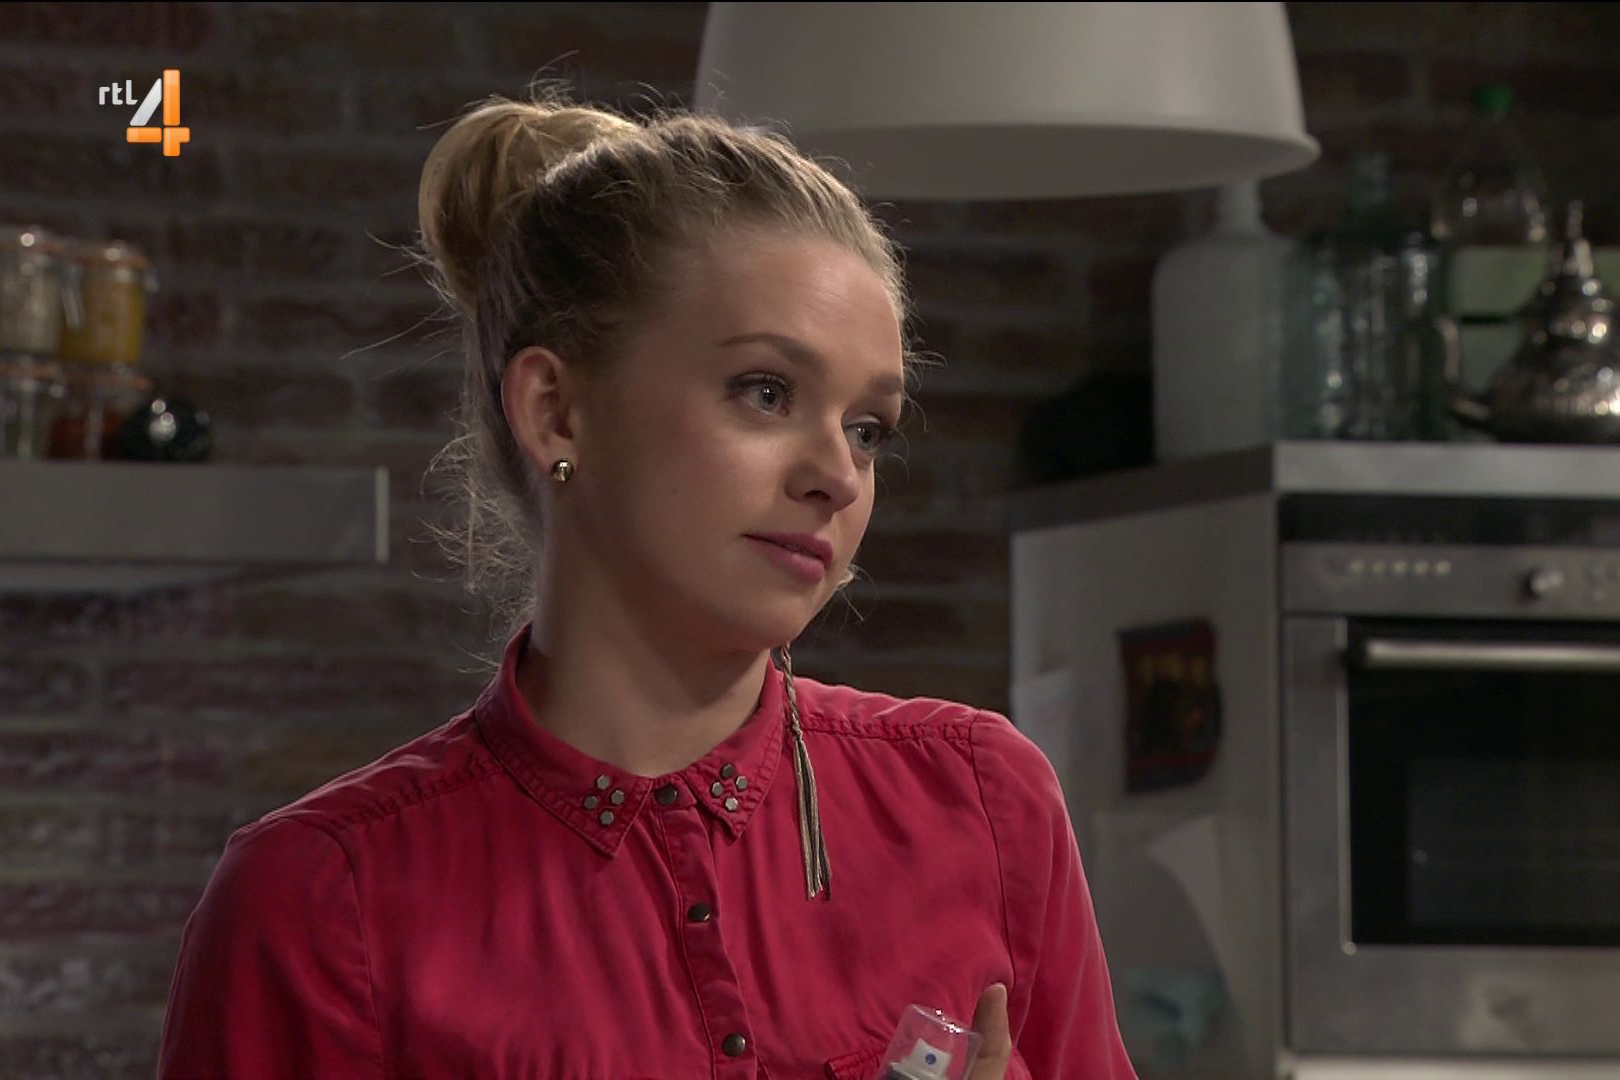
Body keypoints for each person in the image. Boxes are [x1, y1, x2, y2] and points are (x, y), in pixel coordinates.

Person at [157, 88, 1136, 1079]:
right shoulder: (319, 902)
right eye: (766, 393)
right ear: (557, 411)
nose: (838, 476)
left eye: (867, 429)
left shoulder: (983, 800)